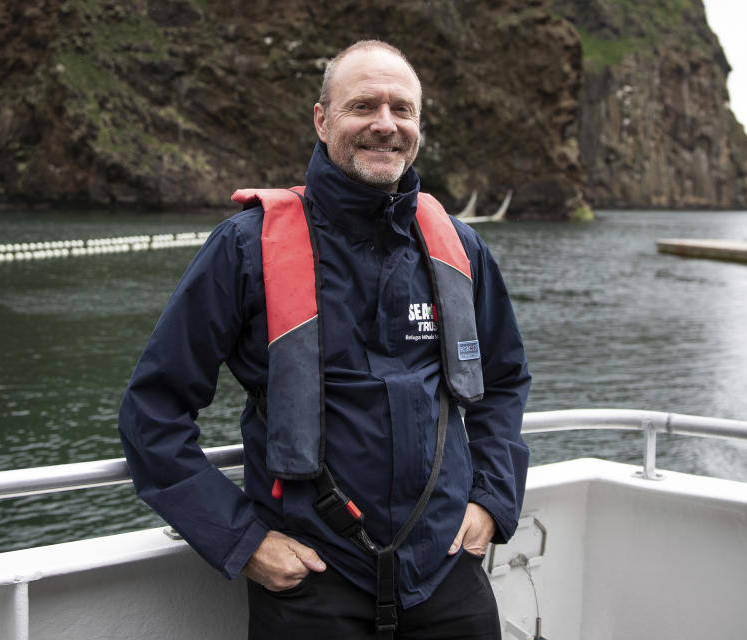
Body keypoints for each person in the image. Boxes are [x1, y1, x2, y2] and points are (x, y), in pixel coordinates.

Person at [118, 40, 531, 639]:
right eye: (363, 106)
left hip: (445, 571)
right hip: (313, 578)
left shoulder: (460, 250)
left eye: (402, 109)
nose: (384, 125)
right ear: (322, 120)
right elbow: (153, 409)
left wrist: (492, 498)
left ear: (419, 123)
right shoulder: (245, 248)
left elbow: (504, 379)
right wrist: (242, 539)